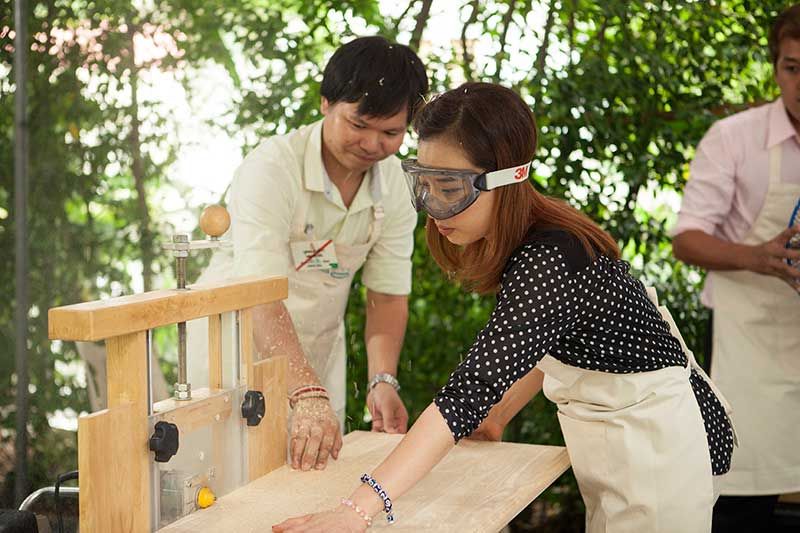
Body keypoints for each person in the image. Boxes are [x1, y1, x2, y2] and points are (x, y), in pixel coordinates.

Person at [272, 82, 736, 533]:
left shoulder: (549, 258)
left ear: (507, 179)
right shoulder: (530, 238)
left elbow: (468, 393)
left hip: (662, 443)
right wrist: (498, 415)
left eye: (450, 188)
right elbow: (545, 343)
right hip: (627, 440)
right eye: (424, 184)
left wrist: (355, 512)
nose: (433, 207)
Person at [188, 36, 429, 471]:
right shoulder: (271, 168)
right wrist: (305, 392)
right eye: (359, 124)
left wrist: (382, 380)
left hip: (316, 359)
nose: (372, 144)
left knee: (311, 484)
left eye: (391, 133)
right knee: (223, 487)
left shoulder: (396, 185)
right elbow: (260, 294)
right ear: (325, 103)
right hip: (230, 356)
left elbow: (386, 295)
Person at [671, 5, 800, 531]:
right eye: (793, 67)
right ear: (776, 67)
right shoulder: (734, 138)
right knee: (741, 499)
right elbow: (686, 239)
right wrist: (758, 256)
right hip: (748, 348)